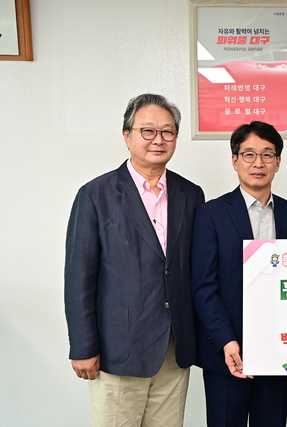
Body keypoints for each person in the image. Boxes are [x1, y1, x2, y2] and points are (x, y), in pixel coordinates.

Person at [64, 93, 205, 426]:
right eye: (148, 131)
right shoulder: (95, 195)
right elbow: (79, 277)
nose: (159, 140)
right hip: (118, 350)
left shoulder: (191, 194)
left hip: (173, 350)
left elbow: (193, 269)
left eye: (168, 132)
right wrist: (83, 347)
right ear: (127, 136)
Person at [191, 121, 287, 427]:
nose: (258, 163)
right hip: (227, 352)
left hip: (277, 351)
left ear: (278, 162)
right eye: (249, 154)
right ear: (235, 160)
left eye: (267, 154)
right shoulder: (211, 214)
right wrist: (227, 341)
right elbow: (203, 287)